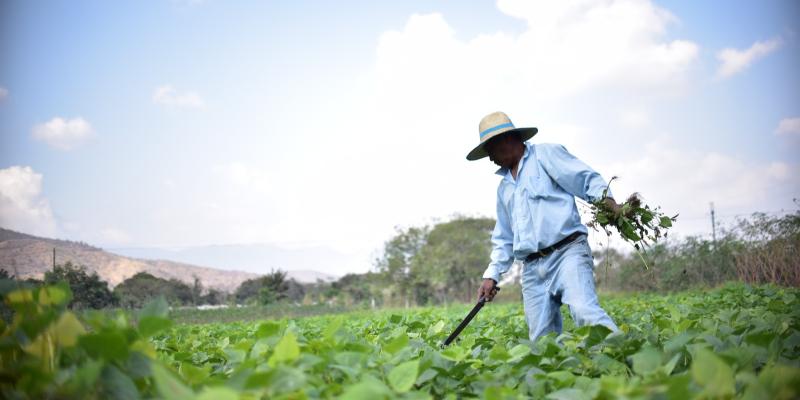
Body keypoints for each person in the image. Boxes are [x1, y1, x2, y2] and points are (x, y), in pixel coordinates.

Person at [468, 111, 620, 342]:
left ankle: (626, 356)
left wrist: (607, 202)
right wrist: (492, 275)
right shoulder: (504, 188)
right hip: (531, 268)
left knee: (584, 311)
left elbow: (585, 178)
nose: (490, 159)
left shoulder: (545, 155)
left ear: (506, 140)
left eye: (491, 151)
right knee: (541, 340)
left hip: (567, 253)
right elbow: (504, 239)